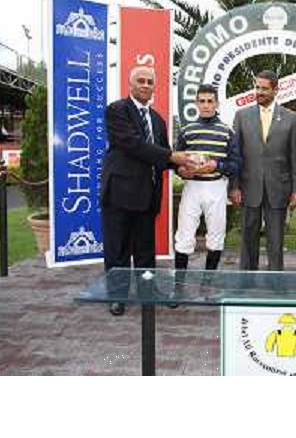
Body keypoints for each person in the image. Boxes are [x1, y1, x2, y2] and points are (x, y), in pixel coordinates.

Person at [101, 65, 194, 316]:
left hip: (147, 195)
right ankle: (117, 296)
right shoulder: (117, 110)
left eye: (149, 81)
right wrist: (174, 156)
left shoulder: (158, 120)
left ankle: (147, 292)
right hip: (119, 193)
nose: (145, 85)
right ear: (130, 85)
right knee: (117, 249)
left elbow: (162, 156)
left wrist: (180, 168)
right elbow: (133, 144)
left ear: (154, 86)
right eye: (140, 81)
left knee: (145, 251)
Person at [230, 70, 296, 271]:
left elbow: (295, 157)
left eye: (264, 88)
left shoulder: (291, 118)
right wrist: (234, 187)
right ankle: (246, 280)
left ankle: (276, 283)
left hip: (278, 188)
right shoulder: (242, 116)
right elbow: (236, 156)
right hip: (248, 187)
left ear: (275, 90)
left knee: (276, 241)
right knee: (247, 239)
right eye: (257, 87)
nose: (259, 92)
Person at [174, 85, 240, 271]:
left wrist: (217, 165)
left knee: (216, 236)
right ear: (196, 103)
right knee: (184, 236)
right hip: (192, 187)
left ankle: (208, 286)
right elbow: (176, 161)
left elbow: (236, 164)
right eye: (202, 101)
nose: (205, 105)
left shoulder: (227, 131)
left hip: (216, 186)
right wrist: (181, 171)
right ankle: (179, 286)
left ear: (216, 103)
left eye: (210, 101)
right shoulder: (186, 129)